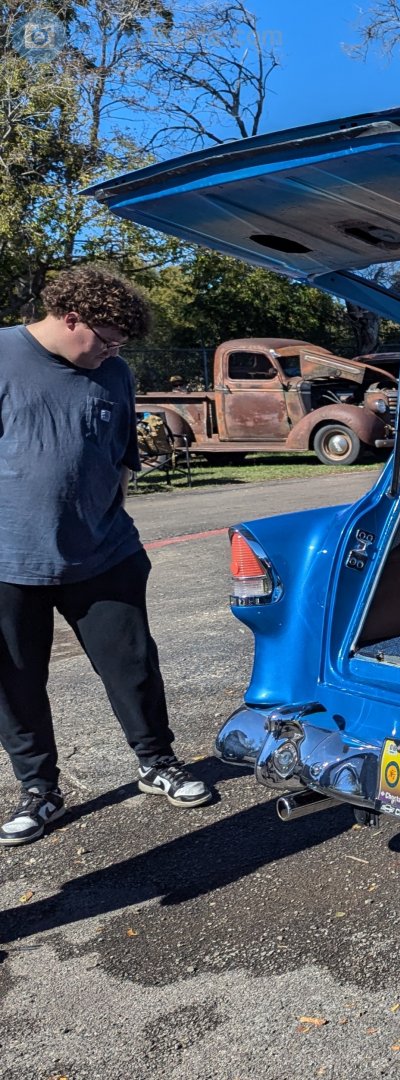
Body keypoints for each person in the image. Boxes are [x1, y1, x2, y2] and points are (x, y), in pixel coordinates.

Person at [0, 267, 215, 846]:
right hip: (8, 562)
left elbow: (122, 455)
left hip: (104, 555)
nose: (113, 353)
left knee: (133, 666)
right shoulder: (3, 356)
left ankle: (157, 763)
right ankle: (39, 791)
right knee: (15, 682)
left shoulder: (114, 373)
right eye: (108, 341)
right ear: (71, 319)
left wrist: (105, 515)